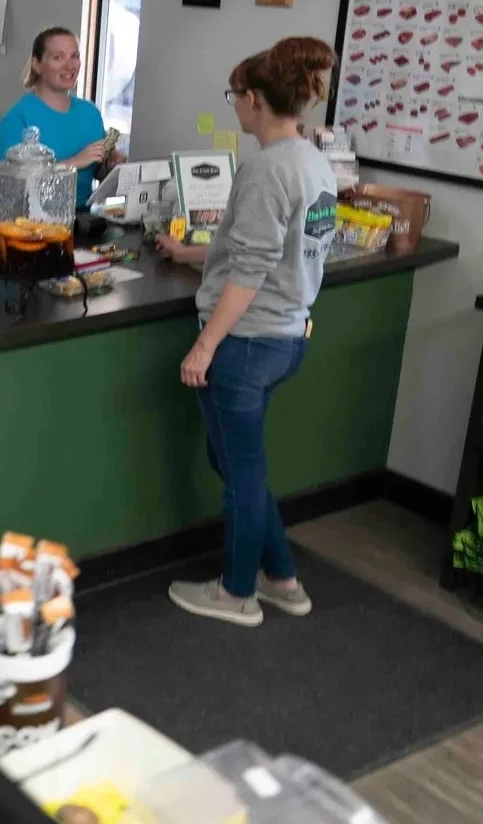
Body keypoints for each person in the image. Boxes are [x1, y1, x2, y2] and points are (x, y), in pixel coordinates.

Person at [155, 36, 339, 627]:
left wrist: (205, 345)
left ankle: (237, 594)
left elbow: (255, 267)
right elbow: (268, 248)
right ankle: (282, 578)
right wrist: (190, 254)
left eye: (235, 95)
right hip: (287, 335)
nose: (233, 104)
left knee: (240, 473)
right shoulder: (312, 161)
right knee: (238, 463)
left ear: (255, 99)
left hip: (246, 341)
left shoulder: (265, 169)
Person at [0, 27, 123, 209]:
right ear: (36, 64)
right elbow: (14, 185)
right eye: (58, 57)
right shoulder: (17, 119)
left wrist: (111, 166)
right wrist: (73, 163)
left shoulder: (90, 114)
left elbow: (96, 172)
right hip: (30, 225)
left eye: (75, 56)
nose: (70, 66)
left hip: (82, 223)